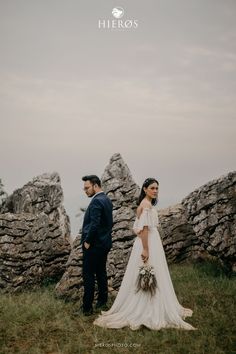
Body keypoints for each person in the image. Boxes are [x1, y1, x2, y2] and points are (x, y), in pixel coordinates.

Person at [93, 178, 197, 330]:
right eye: (152, 188)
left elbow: (136, 227)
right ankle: (147, 308)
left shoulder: (142, 205)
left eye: (157, 188)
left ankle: (149, 303)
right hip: (148, 242)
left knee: (150, 273)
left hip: (147, 241)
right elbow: (144, 229)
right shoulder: (146, 205)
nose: (155, 191)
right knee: (149, 272)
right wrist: (146, 249)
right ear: (145, 189)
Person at [80, 175, 113, 316]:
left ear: (95, 186)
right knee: (101, 273)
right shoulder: (106, 200)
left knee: (88, 275)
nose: (85, 191)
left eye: (87, 188)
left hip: (94, 245)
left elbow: (94, 224)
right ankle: (102, 301)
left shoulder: (96, 202)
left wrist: (87, 241)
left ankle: (87, 308)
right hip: (104, 243)